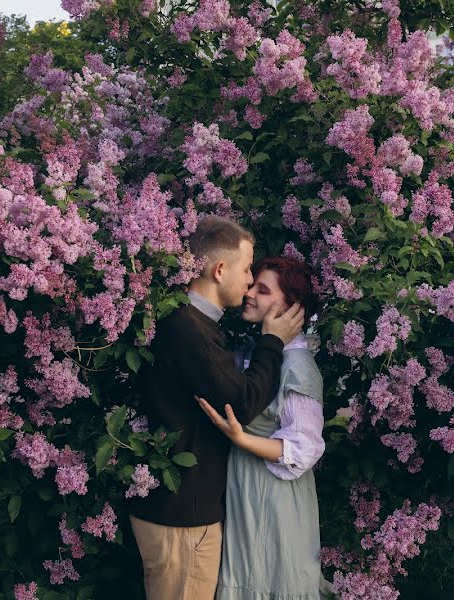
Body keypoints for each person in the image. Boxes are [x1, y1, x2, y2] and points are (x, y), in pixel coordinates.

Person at [128, 216, 305, 600]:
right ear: (219, 269)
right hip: (183, 518)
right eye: (245, 271)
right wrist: (272, 342)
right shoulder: (190, 329)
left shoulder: (190, 322)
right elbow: (239, 406)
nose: (246, 283)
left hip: (177, 511)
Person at [197, 256, 332, 599]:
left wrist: (241, 439)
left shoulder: (298, 365)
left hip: (274, 494)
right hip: (247, 483)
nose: (249, 294)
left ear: (290, 307)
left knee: (270, 575)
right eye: (252, 284)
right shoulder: (262, 349)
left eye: (263, 289)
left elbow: (304, 448)